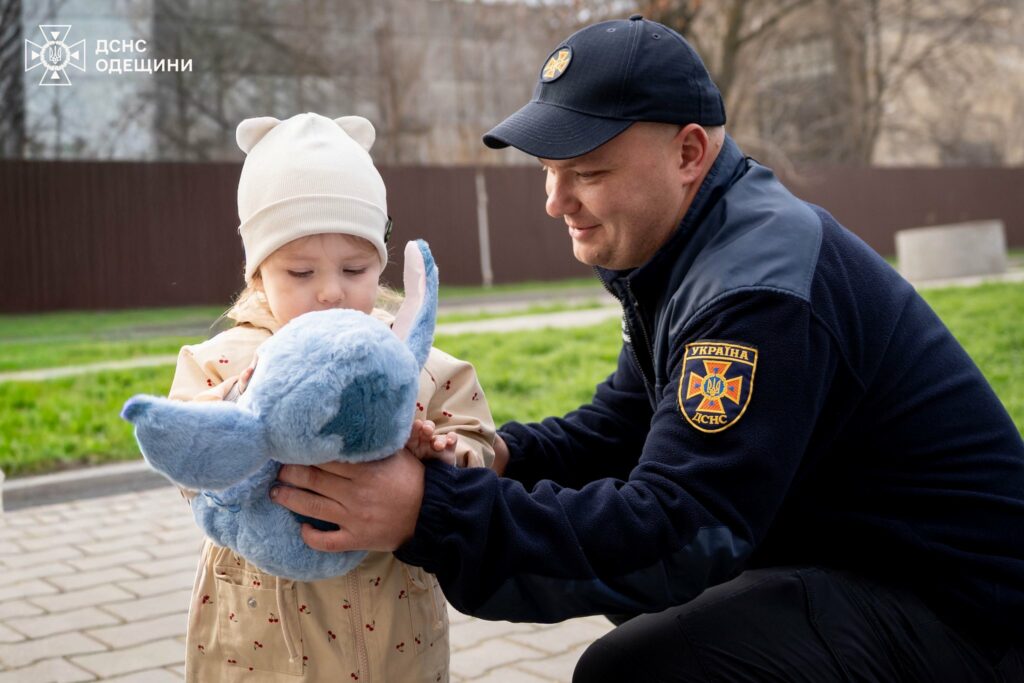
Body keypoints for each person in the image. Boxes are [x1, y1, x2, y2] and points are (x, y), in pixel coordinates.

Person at [269, 18, 1024, 681]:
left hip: (968, 618)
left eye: (587, 172)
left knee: (637, 665)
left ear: (689, 151)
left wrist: (429, 510)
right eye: (547, 171)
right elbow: (623, 428)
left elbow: (677, 532)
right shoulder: (693, 250)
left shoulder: (753, 291)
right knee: (648, 615)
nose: (555, 201)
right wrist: (485, 456)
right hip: (867, 564)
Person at [167, 112, 495, 682]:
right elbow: (183, 456)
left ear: (382, 263)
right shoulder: (222, 360)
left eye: (354, 267)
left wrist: (445, 455)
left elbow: (478, 439)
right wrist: (230, 412)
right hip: (257, 633)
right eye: (299, 271)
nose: (329, 290)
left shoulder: (412, 362)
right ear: (258, 274)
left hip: (392, 623)